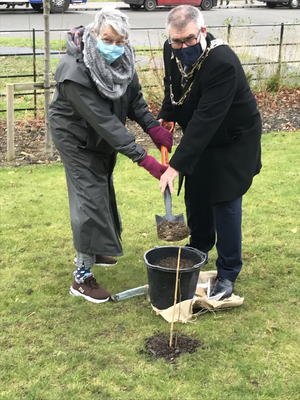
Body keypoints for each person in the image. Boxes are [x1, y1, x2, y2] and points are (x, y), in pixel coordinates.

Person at [49, 8, 172, 304]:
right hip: (75, 137)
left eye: (120, 41)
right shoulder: (73, 72)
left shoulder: (123, 59)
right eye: (108, 39)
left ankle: (95, 246)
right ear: (94, 35)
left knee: (102, 186)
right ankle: (82, 277)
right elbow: (105, 124)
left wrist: (153, 128)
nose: (114, 46)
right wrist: (146, 161)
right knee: (89, 195)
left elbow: (134, 101)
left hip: (99, 135)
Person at [158, 5, 262, 300]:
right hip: (202, 136)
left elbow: (206, 119)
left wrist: (175, 166)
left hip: (233, 138)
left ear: (202, 31)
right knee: (197, 192)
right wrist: (168, 113)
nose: (182, 47)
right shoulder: (171, 49)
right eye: (177, 42)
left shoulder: (222, 63)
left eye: (189, 40)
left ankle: (228, 272)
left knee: (224, 199)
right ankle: (199, 249)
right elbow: (172, 85)